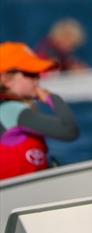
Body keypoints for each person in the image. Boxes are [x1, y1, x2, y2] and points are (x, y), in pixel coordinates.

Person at [0, 42, 79, 180]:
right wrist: (52, 98)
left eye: (38, 74)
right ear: (7, 79)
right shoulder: (10, 111)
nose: (37, 79)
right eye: (31, 74)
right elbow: (69, 131)